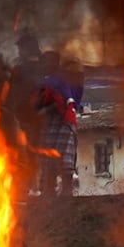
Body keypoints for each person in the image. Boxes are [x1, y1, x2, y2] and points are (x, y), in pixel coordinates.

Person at [34, 54, 83, 199]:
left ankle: (67, 190)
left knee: (64, 154)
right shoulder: (47, 81)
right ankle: (49, 189)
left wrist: (44, 110)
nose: (42, 65)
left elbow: (63, 101)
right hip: (49, 123)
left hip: (64, 121)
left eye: (45, 62)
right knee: (48, 153)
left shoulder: (61, 80)